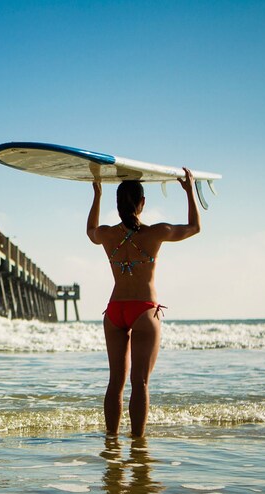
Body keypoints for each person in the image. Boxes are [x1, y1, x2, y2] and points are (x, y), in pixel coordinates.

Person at [86, 168, 200, 437]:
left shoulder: (106, 235)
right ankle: (137, 444)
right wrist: (189, 191)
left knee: (115, 382)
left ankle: (111, 440)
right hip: (144, 310)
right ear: (142, 203)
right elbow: (195, 227)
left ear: (117, 204)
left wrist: (97, 194)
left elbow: (90, 230)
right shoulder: (156, 233)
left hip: (114, 310)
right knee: (140, 382)